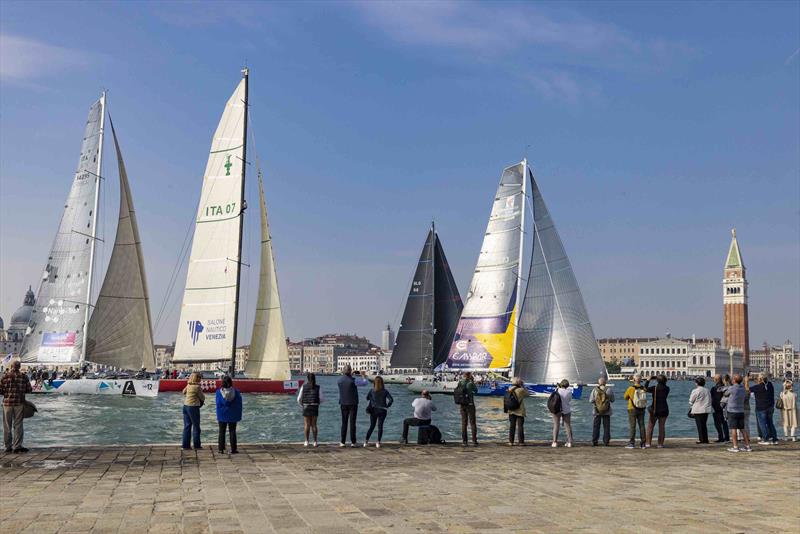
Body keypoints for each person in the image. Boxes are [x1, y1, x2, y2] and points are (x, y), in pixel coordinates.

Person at [1, 360, 32, 453]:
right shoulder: (24, 377)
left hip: (7, 404)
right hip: (19, 403)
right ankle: (17, 446)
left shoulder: (5, 376)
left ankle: (7, 447)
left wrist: (8, 393)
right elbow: (29, 390)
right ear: (19, 367)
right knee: (18, 425)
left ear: (12, 366)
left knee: (7, 426)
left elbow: (0, 390)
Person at [724, 374, 751, 452]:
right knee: (742, 429)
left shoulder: (732, 388)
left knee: (733, 429)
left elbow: (725, 393)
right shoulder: (743, 389)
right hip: (741, 410)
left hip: (732, 411)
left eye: (733, 379)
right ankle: (748, 446)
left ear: (734, 380)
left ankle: (735, 446)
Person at [749, 373, 778, 444]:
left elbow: (747, 390)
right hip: (770, 406)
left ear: (760, 379)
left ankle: (765, 439)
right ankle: (774, 439)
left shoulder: (758, 387)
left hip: (761, 408)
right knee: (770, 423)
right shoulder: (770, 384)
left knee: (762, 423)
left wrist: (746, 381)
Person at [364, 376, 393, 448]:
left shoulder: (372, 390)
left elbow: (367, 398)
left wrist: (372, 398)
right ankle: (378, 442)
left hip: (374, 410)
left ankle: (366, 441)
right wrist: (387, 406)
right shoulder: (385, 391)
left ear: (374, 383)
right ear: (382, 383)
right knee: (380, 427)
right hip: (382, 410)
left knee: (372, 426)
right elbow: (391, 400)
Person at [215, 375, 242, 454]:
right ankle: (233, 449)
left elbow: (218, 403)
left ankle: (221, 449)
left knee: (221, 432)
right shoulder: (236, 392)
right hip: (233, 414)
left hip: (222, 414)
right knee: (232, 431)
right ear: (231, 383)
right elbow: (239, 404)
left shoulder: (218, 392)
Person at [296, 372, 321, 447]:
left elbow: (298, 399)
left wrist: (302, 405)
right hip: (314, 407)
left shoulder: (303, 387)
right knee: (314, 425)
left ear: (307, 379)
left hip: (306, 407)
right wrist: (318, 403)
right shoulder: (318, 387)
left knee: (307, 425)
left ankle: (306, 441)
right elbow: (322, 399)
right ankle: (315, 442)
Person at [623, 374, 647, 449]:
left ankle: (631, 443)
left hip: (632, 408)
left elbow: (625, 397)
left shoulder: (631, 388)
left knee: (632, 426)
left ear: (633, 380)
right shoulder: (644, 388)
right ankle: (643, 444)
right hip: (642, 408)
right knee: (642, 426)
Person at [645, 374, 670, 448]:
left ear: (657, 381)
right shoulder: (667, 388)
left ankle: (648, 443)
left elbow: (645, 389)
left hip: (655, 409)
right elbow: (663, 381)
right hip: (664, 409)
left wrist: (648, 380)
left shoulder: (654, 388)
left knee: (650, 426)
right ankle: (660, 444)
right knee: (662, 427)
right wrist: (659, 378)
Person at [181, 372, 205, 450]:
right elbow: (203, 398)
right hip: (193, 408)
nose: (200, 379)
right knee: (196, 427)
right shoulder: (197, 387)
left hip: (185, 406)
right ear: (197, 378)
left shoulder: (188, 385)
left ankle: (185, 446)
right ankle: (197, 446)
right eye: (199, 378)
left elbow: (183, 392)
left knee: (187, 427)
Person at [589, 376, 615, 446]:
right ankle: (606, 441)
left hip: (597, 411)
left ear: (598, 383)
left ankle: (595, 441)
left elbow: (591, 400)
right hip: (607, 411)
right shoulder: (609, 390)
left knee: (596, 426)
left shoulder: (595, 390)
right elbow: (613, 400)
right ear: (605, 383)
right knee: (606, 427)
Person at [337, 365, 358, 447]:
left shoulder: (339, 381)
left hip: (343, 403)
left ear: (343, 371)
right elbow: (365, 383)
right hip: (353, 403)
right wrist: (363, 376)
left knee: (344, 423)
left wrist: (349, 375)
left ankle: (342, 442)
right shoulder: (353, 380)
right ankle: (353, 442)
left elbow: (345, 379)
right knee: (352, 423)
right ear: (350, 371)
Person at [456, 372, 479, 446]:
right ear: (469, 376)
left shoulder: (460, 382)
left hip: (462, 404)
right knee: (472, 423)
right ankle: (474, 441)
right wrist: (472, 382)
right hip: (470, 404)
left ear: (464, 376)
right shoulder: (470, 383)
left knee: (464, 423)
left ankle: (464, 442)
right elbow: (476, 390)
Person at [689, 376, 712, 444]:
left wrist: (691, 404)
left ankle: (701, 439)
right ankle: (705, 439)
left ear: (696, 383)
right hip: (706, 409)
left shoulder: (695, 390)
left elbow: (691, 400)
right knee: (704, 425)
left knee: (699, 425)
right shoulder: (707, 390)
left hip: (698, 410)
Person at [507, 377, 529, 446]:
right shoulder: (521, 390)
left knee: (512, 426)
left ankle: (511, 442)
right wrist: (523, 385)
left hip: (511, 410)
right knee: (520, 427)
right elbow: (527, 394)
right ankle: (521, 442)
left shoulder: (509, 389)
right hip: (520, 411)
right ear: (519, 383)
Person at [551, 379, 574, 448]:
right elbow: (569, 400)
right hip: (566, 410)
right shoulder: (569, 392)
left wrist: (558, 387)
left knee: (556, 425)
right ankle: (569, 442)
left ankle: (555, 442)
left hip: (557, 410)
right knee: (568, 426)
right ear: (567, 385)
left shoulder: (557, 390)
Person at [710, 374, 730, 443]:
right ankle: (727, 437)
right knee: (724, 423)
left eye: (714, 379)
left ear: (716, 380)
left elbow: (713, 399)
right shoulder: (725, 387)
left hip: (716, 408)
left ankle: (721, 437)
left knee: (717, 424)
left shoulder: (714, 388)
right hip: (724, 407)